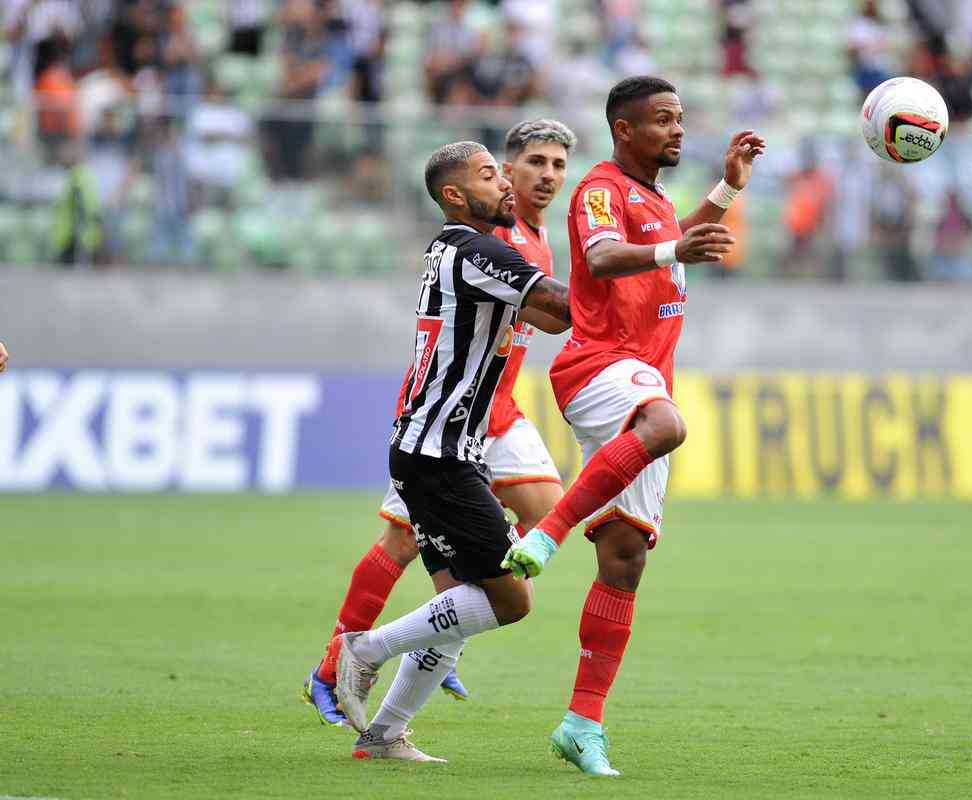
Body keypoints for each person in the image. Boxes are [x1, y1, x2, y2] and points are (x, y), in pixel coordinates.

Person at [501, 76, 765, 776]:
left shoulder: (652, 198)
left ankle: (581, 724)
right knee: (667, 423)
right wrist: (674, 252)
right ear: (625, 129)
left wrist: (729, 190)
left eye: (680, 118)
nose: (677, 129)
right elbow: (602, 259)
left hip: (641, 372)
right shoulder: (599, 187)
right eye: (663, 120)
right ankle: (548, 532)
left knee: (625, 559)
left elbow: (672, 242)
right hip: (598, 364)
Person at [302, 120, 577, 735]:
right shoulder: (487, 246)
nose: (542, 176)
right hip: (446, 436)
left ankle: (393, 719)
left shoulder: (515, 239)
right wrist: (648, 258)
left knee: (482, 576)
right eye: (528, 163)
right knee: (492, 576)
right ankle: (344, 657)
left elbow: (553, 321)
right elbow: (564, 306)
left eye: (558, 164)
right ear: (502, 171)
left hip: (466, 430)